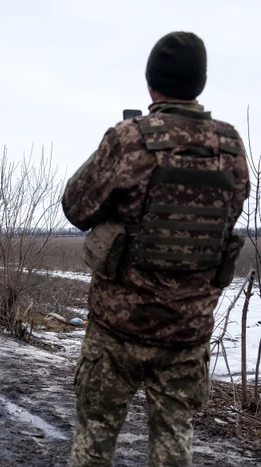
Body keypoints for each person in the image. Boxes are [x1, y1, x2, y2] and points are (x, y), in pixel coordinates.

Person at [62, 31, 250, 466]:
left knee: (95, 434)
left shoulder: (129, 139)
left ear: (151, 84)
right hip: (187, 330)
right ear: (199, 84)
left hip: (118, 329)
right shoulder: (231, 148)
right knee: (174, 438)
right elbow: (229, 214)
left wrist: (109, 151)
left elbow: (76, 205)